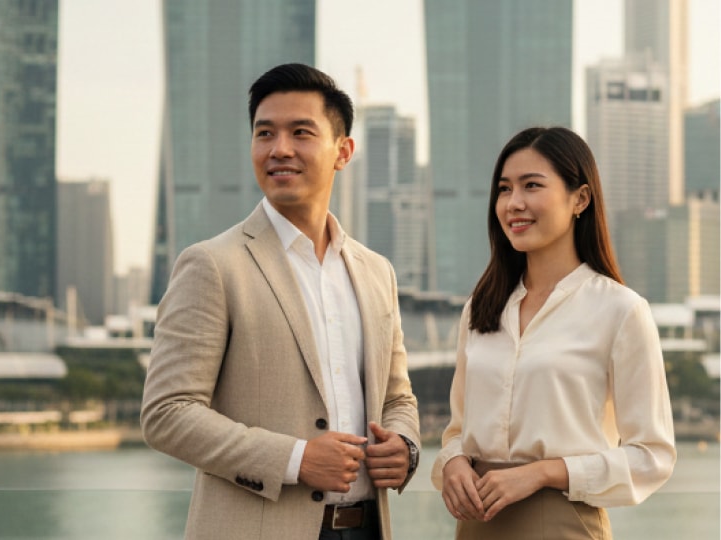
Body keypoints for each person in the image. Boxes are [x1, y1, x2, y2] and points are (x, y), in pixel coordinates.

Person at [141, 63, 420, 540]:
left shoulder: (377, 272)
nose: (279, 149)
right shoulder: (211, 264)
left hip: (369, 528)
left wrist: (406, 445)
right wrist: (297, 459)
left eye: (301, 133)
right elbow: (167, 413)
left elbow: (397, 397)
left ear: (343, 151)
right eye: (264, 133)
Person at [432, 126, 676, 539]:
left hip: (563, 523)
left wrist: (544, 473)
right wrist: (453, 461)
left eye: (532, 186)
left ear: (580, 198)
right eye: (505, 189)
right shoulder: (481, 307)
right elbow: (458, 430)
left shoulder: (620, 310)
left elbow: (653, 456)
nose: (514, 203)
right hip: (474, 524)